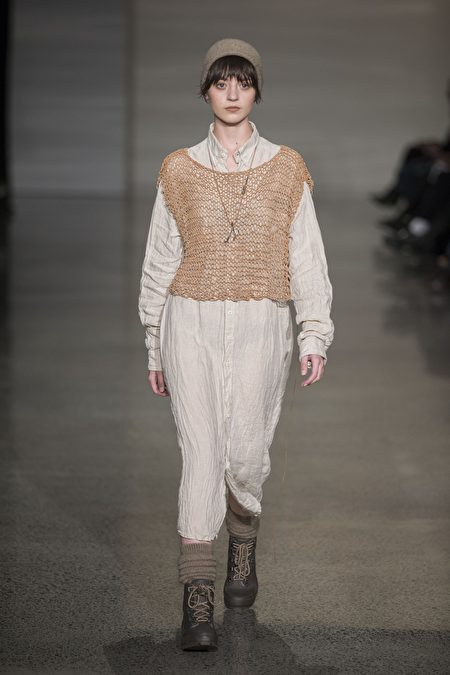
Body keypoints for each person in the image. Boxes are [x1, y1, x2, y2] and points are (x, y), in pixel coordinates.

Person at [138, 38, 334, 651]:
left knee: (245, 454)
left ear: (256, 91)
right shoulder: (177, 167)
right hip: (188, 322)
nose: (230, 93)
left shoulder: (286, 167)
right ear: (205, 90)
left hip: (261, 325)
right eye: (220, 82)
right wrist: (153, 338)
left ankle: (242, 540)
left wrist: (315, 332)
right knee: (201, 454)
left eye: (241, 82)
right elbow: (160, 258)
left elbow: (306, 256)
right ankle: (197, 601)